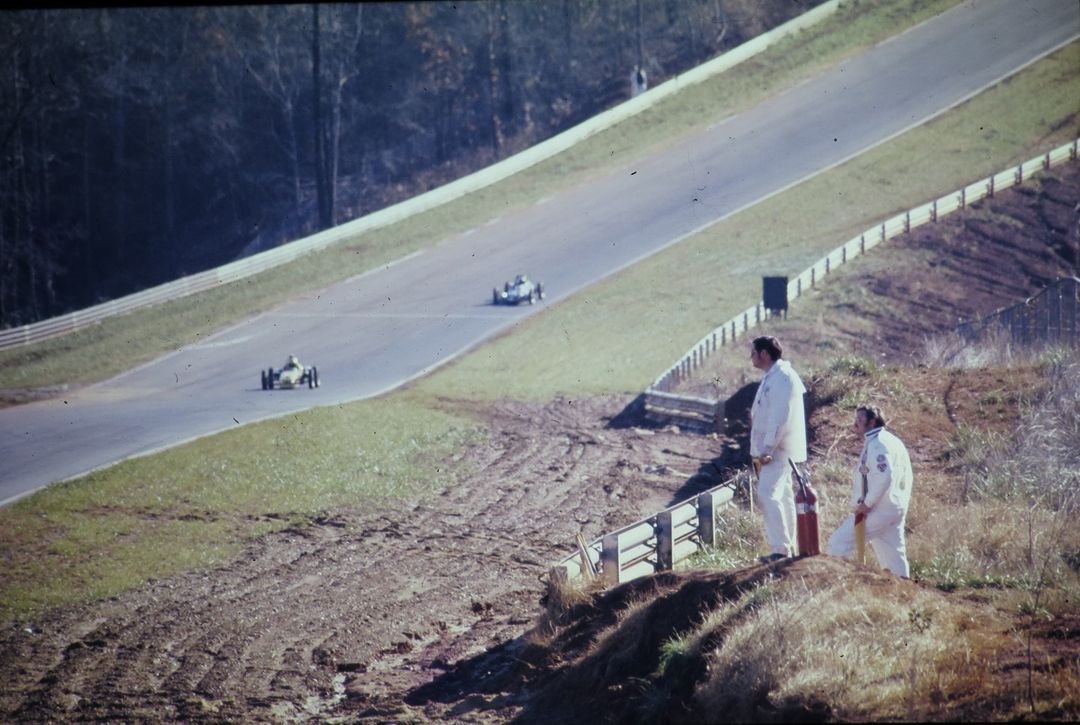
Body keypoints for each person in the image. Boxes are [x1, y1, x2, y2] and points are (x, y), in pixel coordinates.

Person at [827, 404, 913, 578]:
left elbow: (885, 476)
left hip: (879, 509)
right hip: (894, 507)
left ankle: (841, 583)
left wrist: (867, 504)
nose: (855, 423)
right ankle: (903, 590)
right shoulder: (891, 440)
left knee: (839, 542)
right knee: (893, 557)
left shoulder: (879, 444)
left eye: (860, 419)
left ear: (872, 422)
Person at [748, 335, 807, 561]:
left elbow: (780, 417)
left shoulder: (782, 377)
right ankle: (786, 547)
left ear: (764, 353)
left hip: (777, 449)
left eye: (754, 352)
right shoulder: (773, 376)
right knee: (782, 496)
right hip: (774, 448)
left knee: (767, 493)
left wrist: (767, 448)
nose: (751, 357)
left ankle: (780, 549)